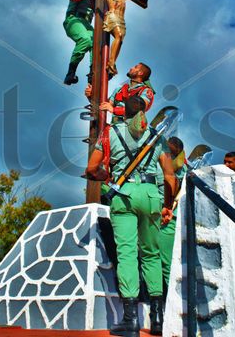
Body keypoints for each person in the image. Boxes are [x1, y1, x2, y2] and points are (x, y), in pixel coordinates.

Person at [85, 95, 176, 337]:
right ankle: (157, 320)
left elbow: (92, 168)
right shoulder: (157, 137)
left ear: (123, 112)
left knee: (127, 254)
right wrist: (167, 205)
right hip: (150, 196)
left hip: (123, 194)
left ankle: (131, 320)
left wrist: (107, 178)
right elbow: (169, 176)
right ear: (144, 112)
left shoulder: (109, 132)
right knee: (152, 255)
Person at [80, 0, 144, 77]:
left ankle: (112, 62)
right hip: (112, 17)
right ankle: (111, 62)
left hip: (121, 21)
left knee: (120, 41)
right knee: (119, 36)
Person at [158, 137, 187, 297]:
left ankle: (173, 300)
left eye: (169, 150)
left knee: (166, 262)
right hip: (166, 218)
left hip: (169, 220)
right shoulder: (180, 168)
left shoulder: (181, 171)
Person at [85, 63, 154, 123]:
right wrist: (92, 95)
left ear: (140, 73)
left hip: (131, 129)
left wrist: (114, 109)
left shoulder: (145, 90)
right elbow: (104, 105)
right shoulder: (119, 90)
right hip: (116, 127)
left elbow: (139, 109)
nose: (131, 68)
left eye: (135, 67)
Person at [63, 0, 98, 85]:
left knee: (97, 42)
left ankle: (94, 73)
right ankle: (70, 73)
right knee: (86, 39)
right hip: (74, 19)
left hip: (86, 23)